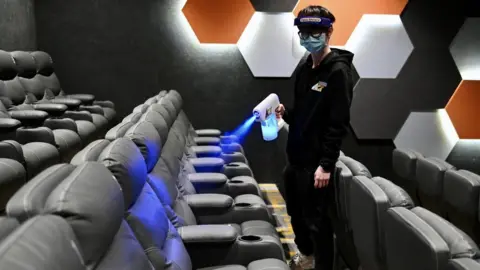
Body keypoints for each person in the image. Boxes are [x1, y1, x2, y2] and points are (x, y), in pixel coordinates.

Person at [275, 5, 354, 270]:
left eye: (315, 32)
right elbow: (304, 110)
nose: (309, 37)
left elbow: (338, 122)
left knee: (318, 223)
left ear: (329, 31)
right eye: (304, 32)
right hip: (296, 158)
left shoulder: (338, 72)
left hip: (316, 163)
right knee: (296, 214)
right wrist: (286, 113)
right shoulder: (305, 66)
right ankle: (306, 257)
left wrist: (326, 164)